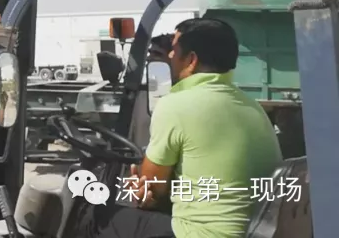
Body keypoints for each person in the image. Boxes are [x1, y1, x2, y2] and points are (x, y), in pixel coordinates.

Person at [90, 18, 283, 238]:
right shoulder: (253, 106)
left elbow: (152, 189)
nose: (170, 55)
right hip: (254, 231)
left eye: (174, 49)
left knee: (97, 217)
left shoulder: (175, 105)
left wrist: (143, 189)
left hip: (201, 233)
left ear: (191, 60)